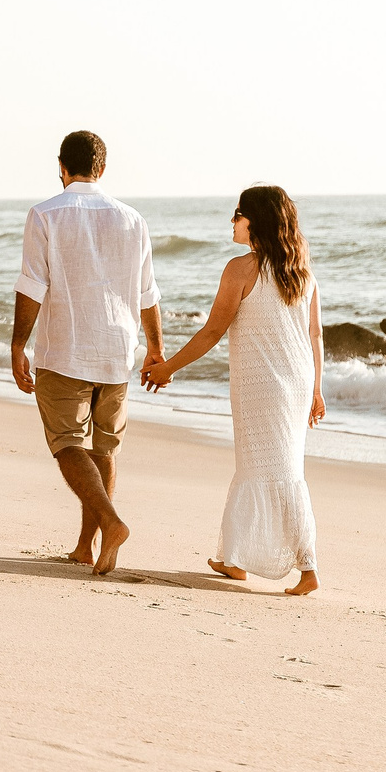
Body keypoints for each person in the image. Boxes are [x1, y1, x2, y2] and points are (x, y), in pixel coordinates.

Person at [141, 184, 324, 596]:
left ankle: (308, 567)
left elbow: (213, 331)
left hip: (264, 384)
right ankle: (234, 558)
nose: (232, 220)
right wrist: (316, 389)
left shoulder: (241, 269)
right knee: (270, 466)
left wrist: (168, 366)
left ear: (255, 220)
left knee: (272, 470)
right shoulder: (302, 271)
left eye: (238, 213)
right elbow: (315, 334)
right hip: (296, 382)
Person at [10, 130, 161, 574]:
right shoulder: (133, 220)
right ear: (102, 168)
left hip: (66, 350)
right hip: (118, 353)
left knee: (66, 444)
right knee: (104, 449)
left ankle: (110, 523)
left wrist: (19, 344)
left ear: (61, 166)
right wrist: (155, 348)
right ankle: (84, 546)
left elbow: (32, 285)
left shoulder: (45, 215)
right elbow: (147, 292)